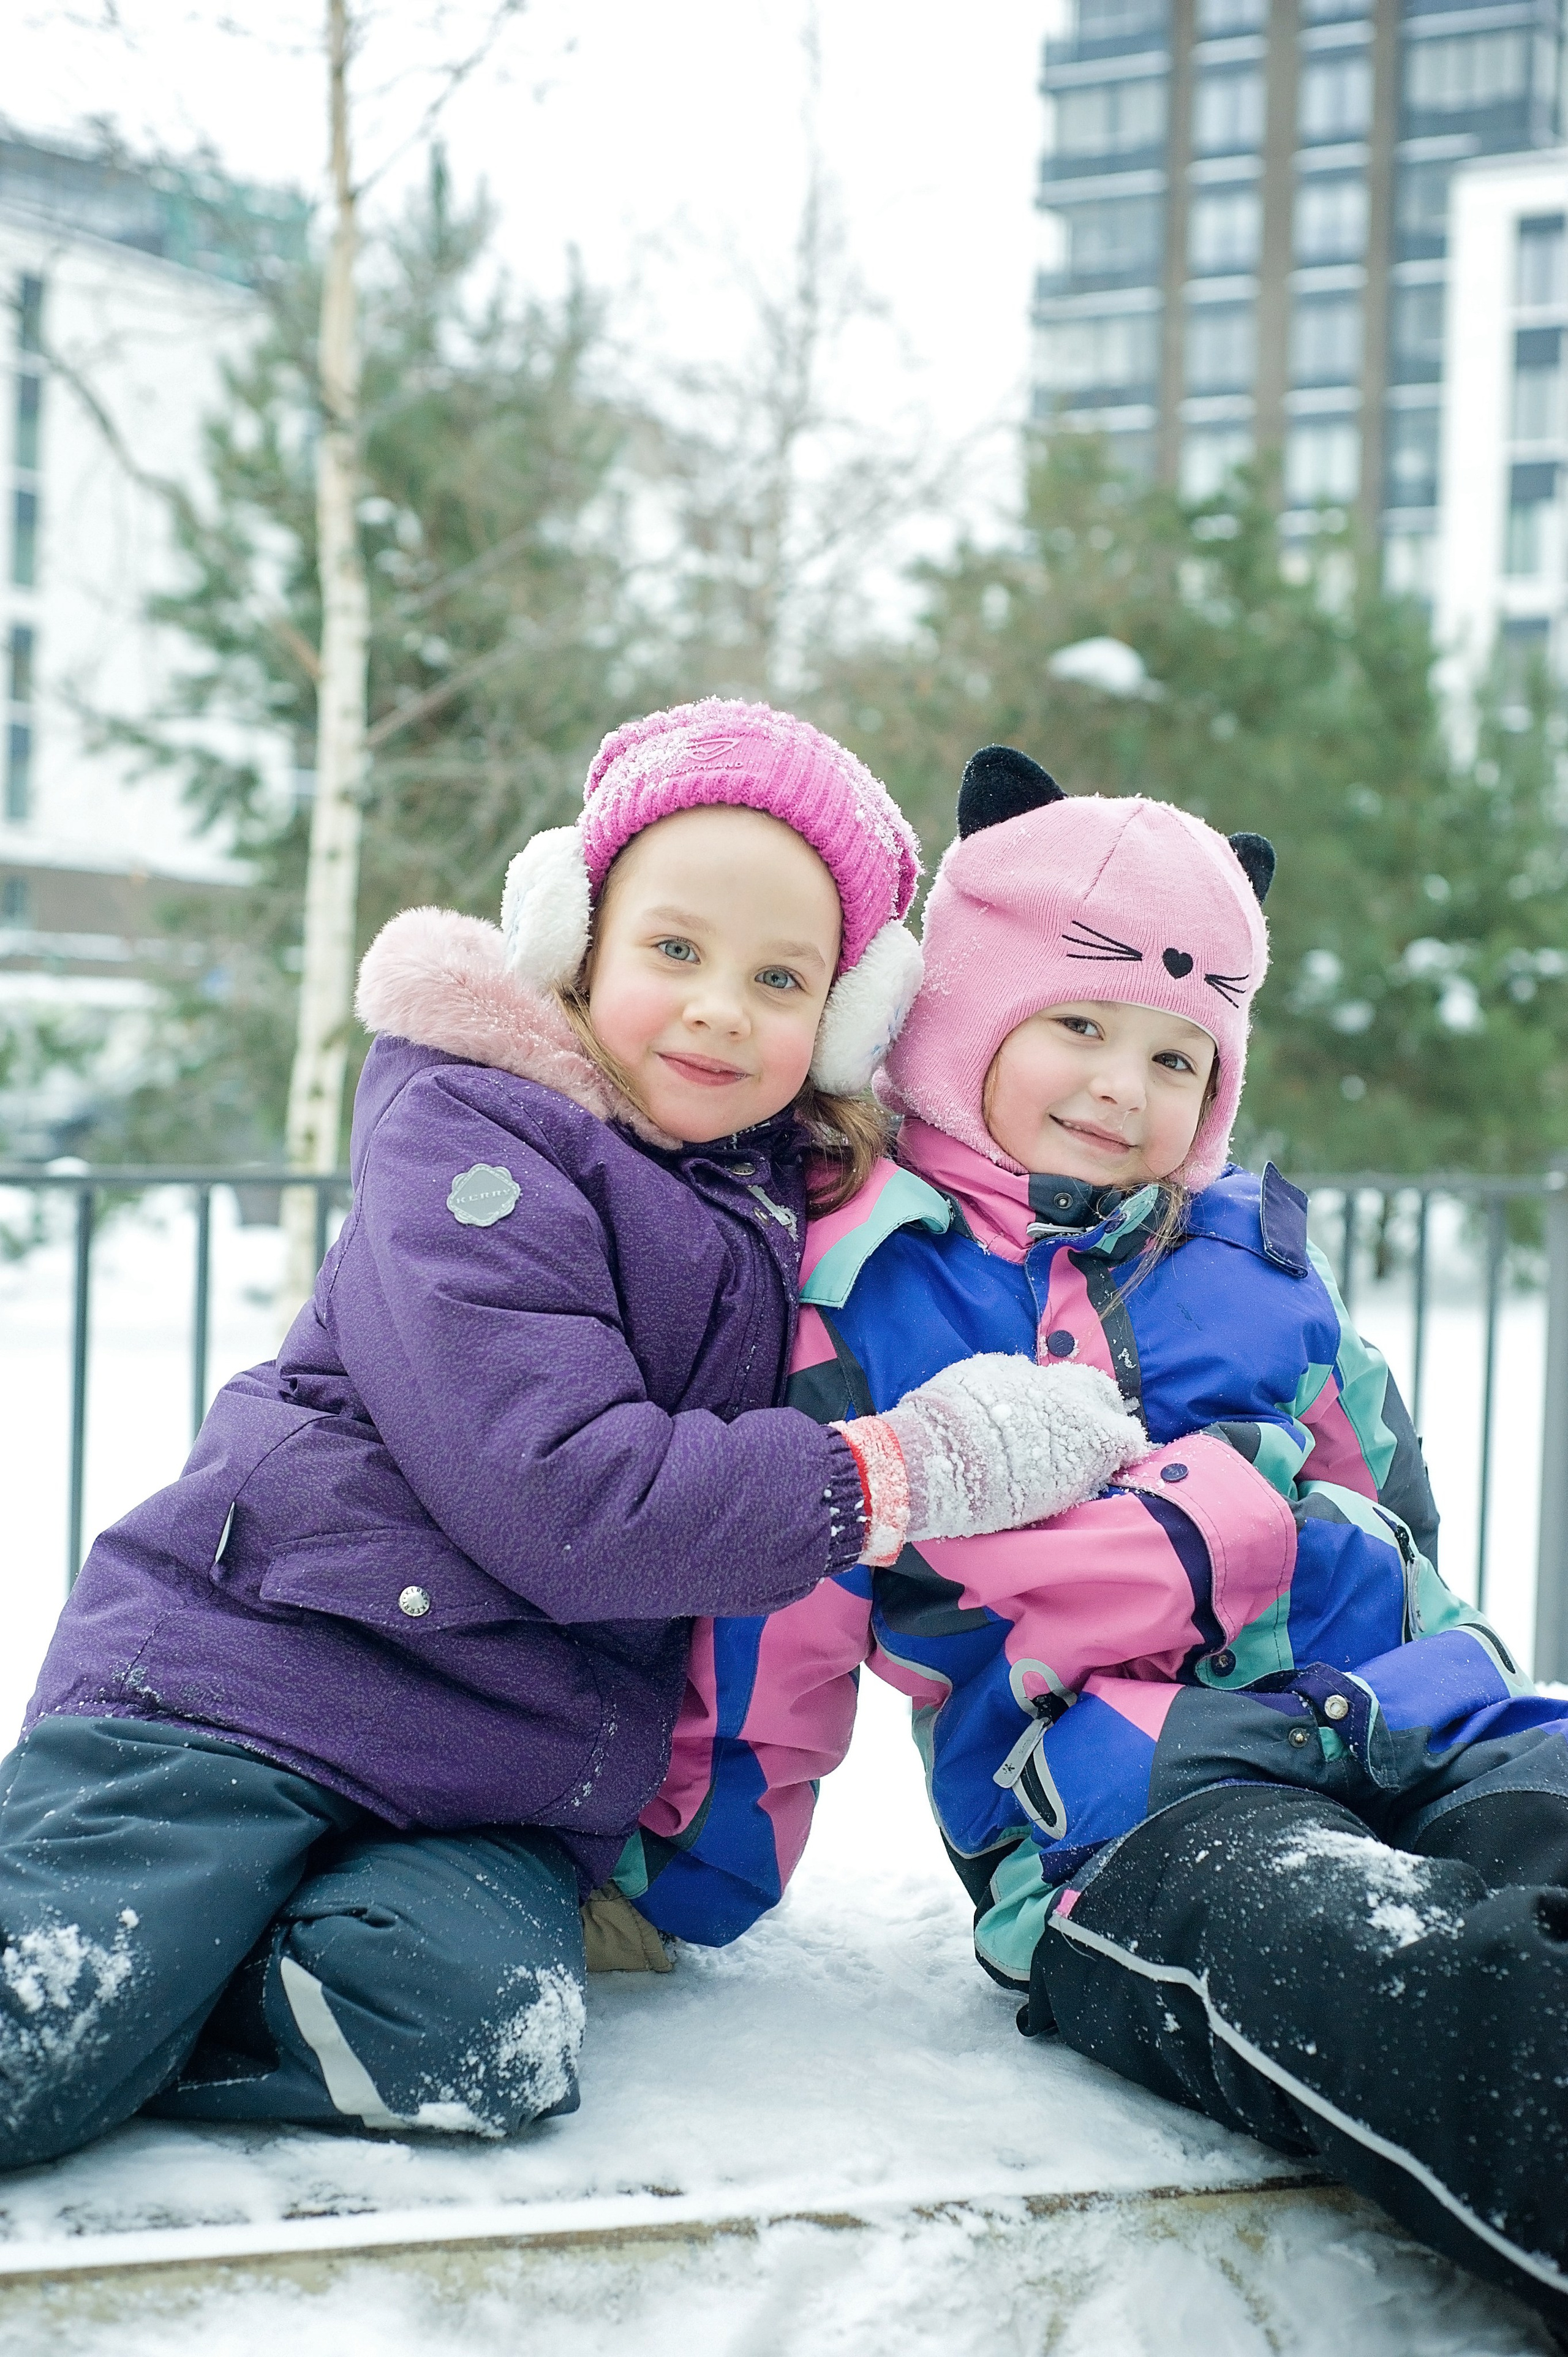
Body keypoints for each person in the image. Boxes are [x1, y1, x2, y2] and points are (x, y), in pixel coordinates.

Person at [0, 706, 1145, 2170]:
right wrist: (906, 1465)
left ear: (844, 1020)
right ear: (575, 937)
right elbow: (564, 1496)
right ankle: (128, 1994)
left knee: (480, 2039)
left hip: (486, 1776)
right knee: (44, 2019)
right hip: (250, 1685)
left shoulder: (771, 1194)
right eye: (675, 951)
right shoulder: (475, 1134)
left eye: (780, 976)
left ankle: (177, 1997)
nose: (722, 1007)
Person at [624, 747, 1568, 2340]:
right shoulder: (861, 1300)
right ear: (965, 1013)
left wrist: (1399, 1633)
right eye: (1077, 1023)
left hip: (1413, 1706)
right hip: (1132, 1807)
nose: (1125, 1088)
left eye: (1179, 1058)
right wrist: (679, 1878)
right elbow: (774, 1609)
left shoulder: (1257, 1267)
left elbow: (1394, 1504)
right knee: (1408, 1982)